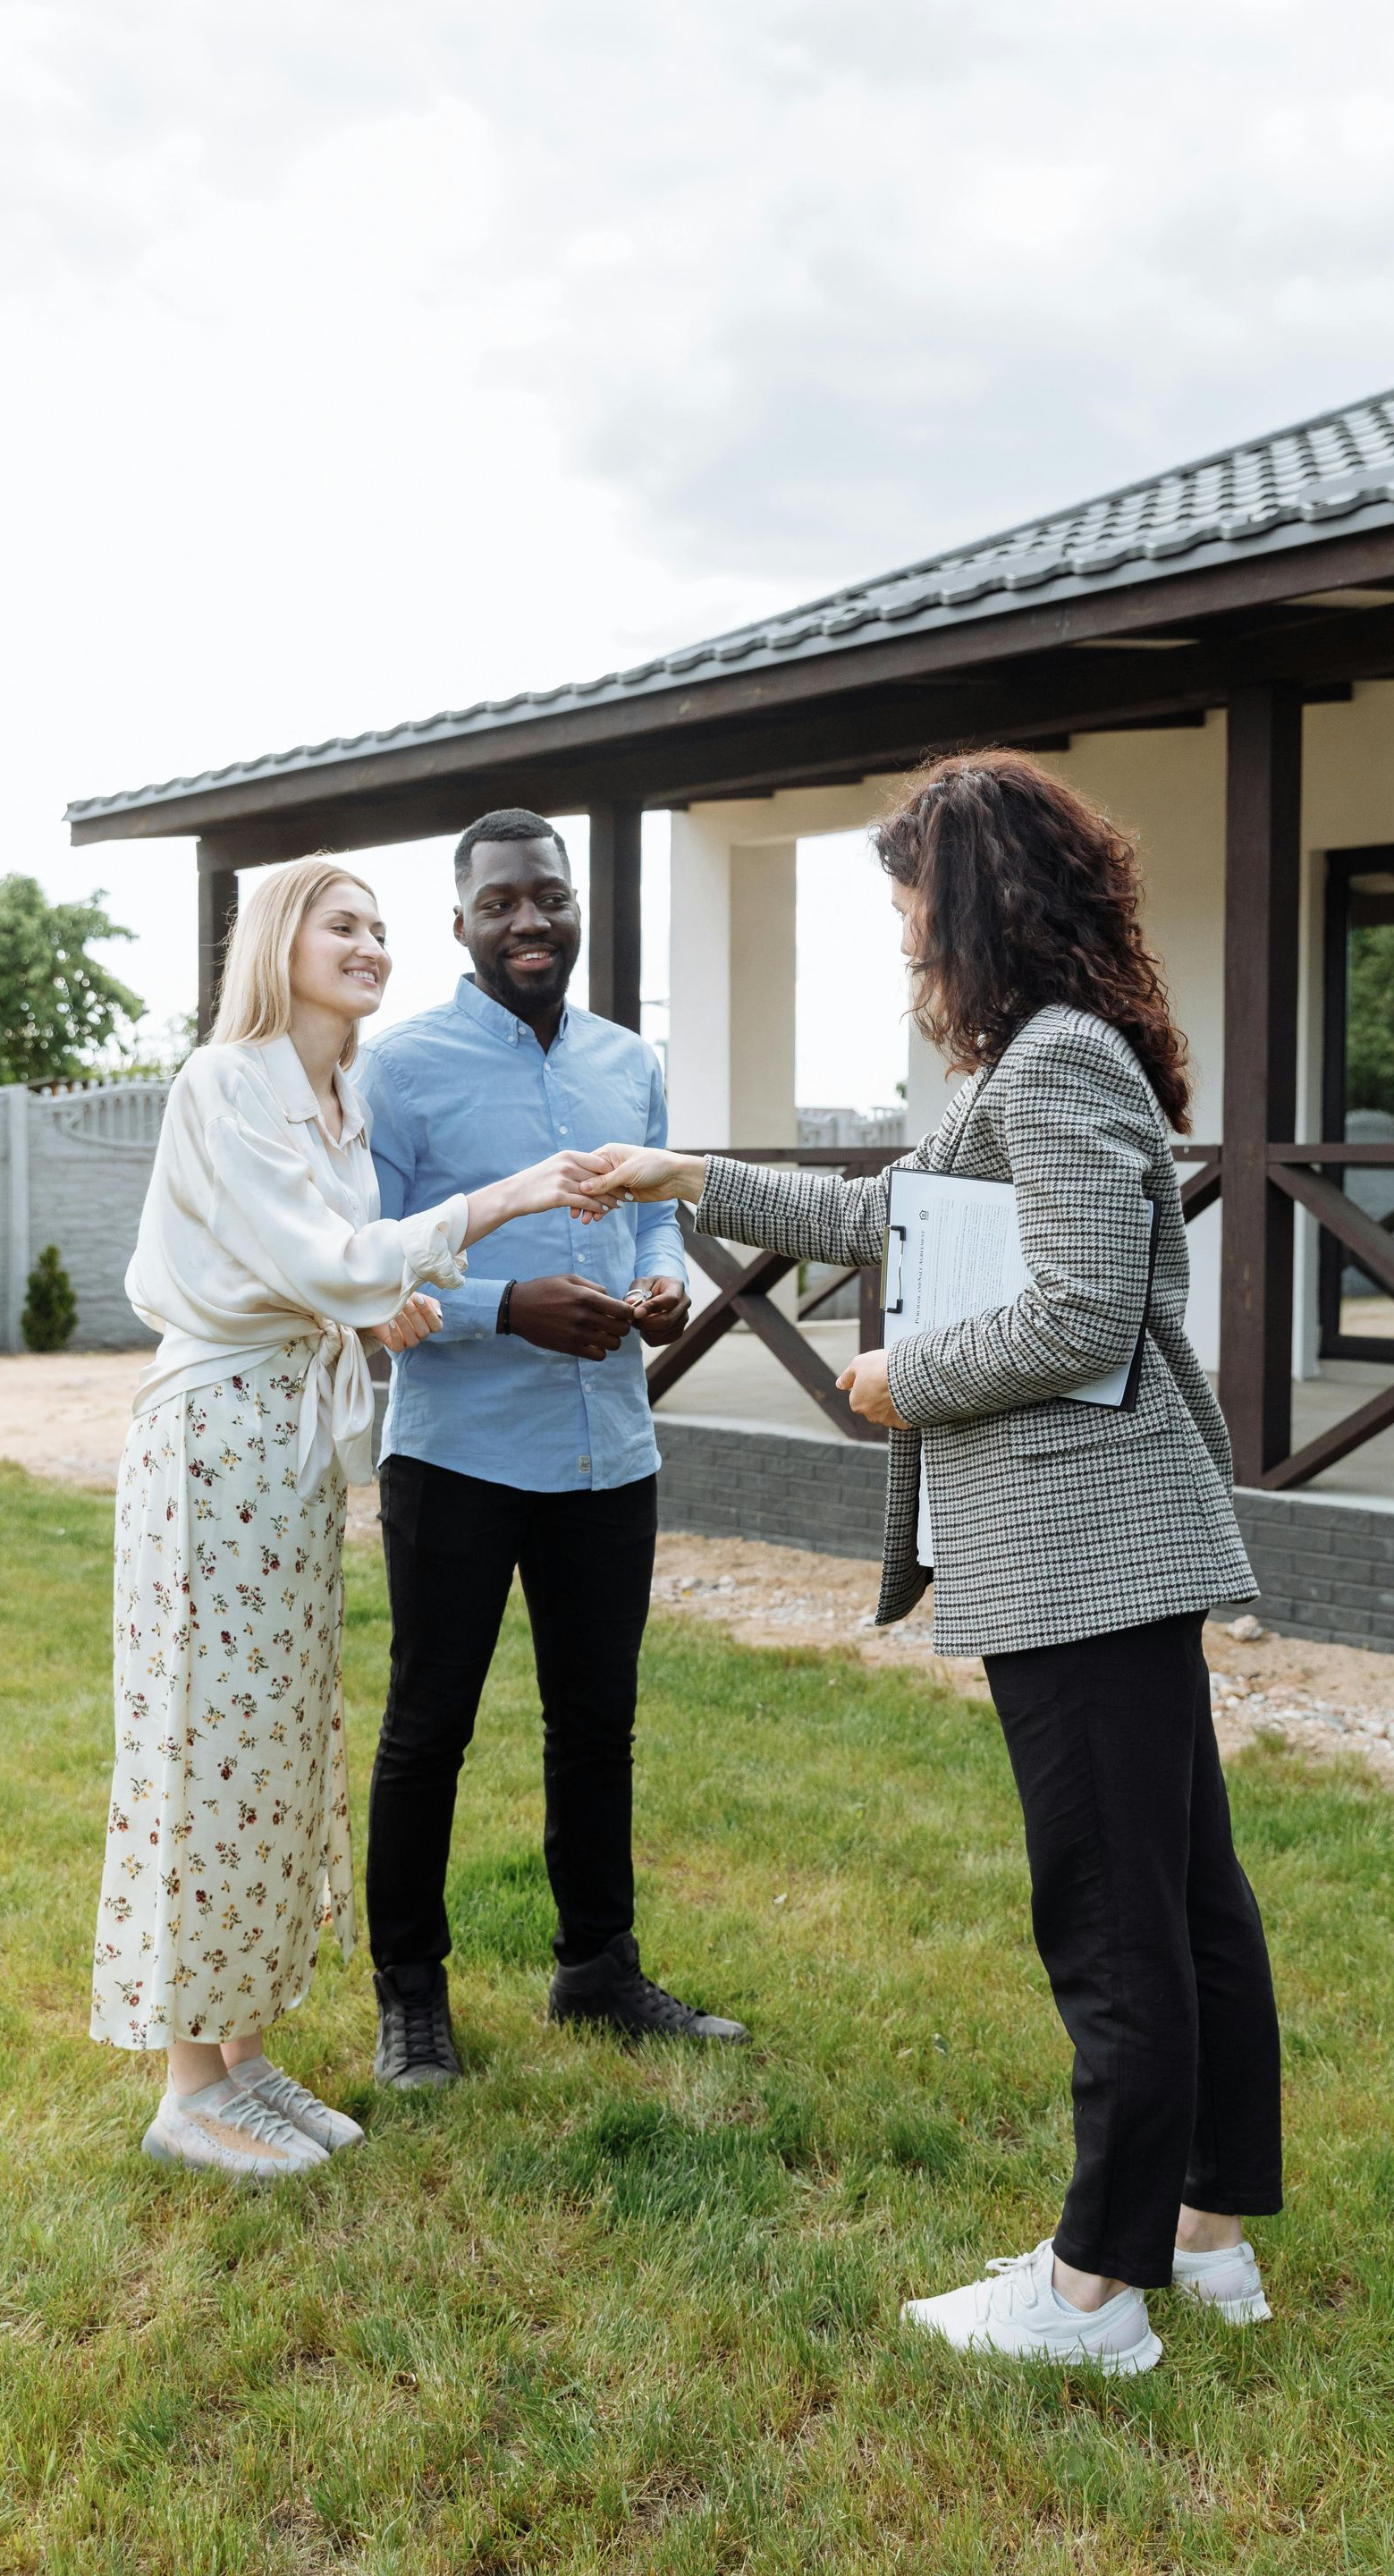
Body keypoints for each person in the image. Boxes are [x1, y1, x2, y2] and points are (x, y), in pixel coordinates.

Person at [591, 750, 1282, 2375]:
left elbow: (1077, 1314)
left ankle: (1093, 2295)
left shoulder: (1055, 1065)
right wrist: (691, 1176)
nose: (905, 947)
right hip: (1103, 1548)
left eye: (912, 914)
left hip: (1081, 1549)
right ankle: (1207, 2237)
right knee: (1185, 1904)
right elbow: (909, 1215)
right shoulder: (1051, 1059)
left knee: (1112, 1922)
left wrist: (907, 1378)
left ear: (979, 907)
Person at [92, 854, 618, 2177]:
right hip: (215, 1444)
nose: (373, 946)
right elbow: (324, 1259)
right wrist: (499, 1199)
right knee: (207, 1749)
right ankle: (180, 2091)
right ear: (280, 940)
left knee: (276, 1752)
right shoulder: (225, 1081)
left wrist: (375, 1302)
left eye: (382, 930)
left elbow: (324, 1271)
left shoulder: (328, 1101)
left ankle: (241, 2055)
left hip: (288, 1453)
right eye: (345, 925)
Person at [356, 808, 748, 2087]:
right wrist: (501, 1304)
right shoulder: (396, 1070)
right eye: (500, 902)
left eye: (549, 898)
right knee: (429, 1727)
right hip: (458, 1451)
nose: (530, 921)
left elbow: (645, 1219)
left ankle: (598, 1970)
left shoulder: (628, 1061)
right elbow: (369, 1266)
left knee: (597, 1725)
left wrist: (658, 1282)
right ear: (459, 922)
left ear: (577, 906)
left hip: (606, 1458)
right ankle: (410, 1995)